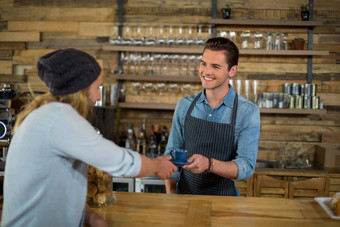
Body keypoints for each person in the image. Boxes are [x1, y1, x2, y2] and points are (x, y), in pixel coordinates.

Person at [1, 48, 177, 227]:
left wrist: (92, 218)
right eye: (98, 87)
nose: (99, 96)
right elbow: (123, 162)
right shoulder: (60, 118)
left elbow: (60, 188)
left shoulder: (49, 114)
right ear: (82, 89)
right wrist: (157, 165)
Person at [164, 37, 260, 196]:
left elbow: (246, 167)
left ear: (232, 71)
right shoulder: (184, 105)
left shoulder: (247, 112)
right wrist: (171, 193)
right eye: (203, 64)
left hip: (224, 204)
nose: (206, 72)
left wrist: (209, 164)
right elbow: (171, 155)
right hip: (183, 199)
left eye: (215, 67)